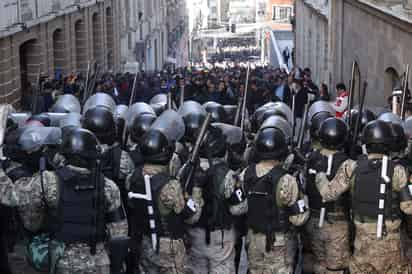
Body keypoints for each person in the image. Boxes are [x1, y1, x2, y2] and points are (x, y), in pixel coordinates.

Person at [0, 127, 128, 274]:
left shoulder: (47, 181)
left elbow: (16, 202)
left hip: (61, 261)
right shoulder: (109, 186)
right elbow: (119, 233)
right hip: (99, 262)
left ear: (64, 155)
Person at [315, 120, 412, 273]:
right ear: (389, 144)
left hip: (362, 243)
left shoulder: (351, 167)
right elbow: (408, 208)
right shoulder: (397, 170)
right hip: (391, 244)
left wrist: (320, 176)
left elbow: (328, 194)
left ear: (365, 143)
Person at [128, 129, 199, 274]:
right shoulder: (169, 186)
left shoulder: (133, 177)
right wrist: (195, 195)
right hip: (169, 246)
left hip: (146, 241)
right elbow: (190, 216)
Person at [238, 127, 309, 273]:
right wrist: (304, 196)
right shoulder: (287, 180)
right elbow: (298, 218)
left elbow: (240, 206)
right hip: (278, 242)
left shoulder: (246, 173)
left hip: (253, 240)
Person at [185, 126, 247, 274]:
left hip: (194, 236)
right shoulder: (228, 175)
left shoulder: (186, 170)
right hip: (221, 239)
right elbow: (239, 208)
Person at [303, 117, 351, 273]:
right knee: (335, 269)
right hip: (337, 223)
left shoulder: (311, 158)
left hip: (313, 220)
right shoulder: (348, 164)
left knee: (318, 264)